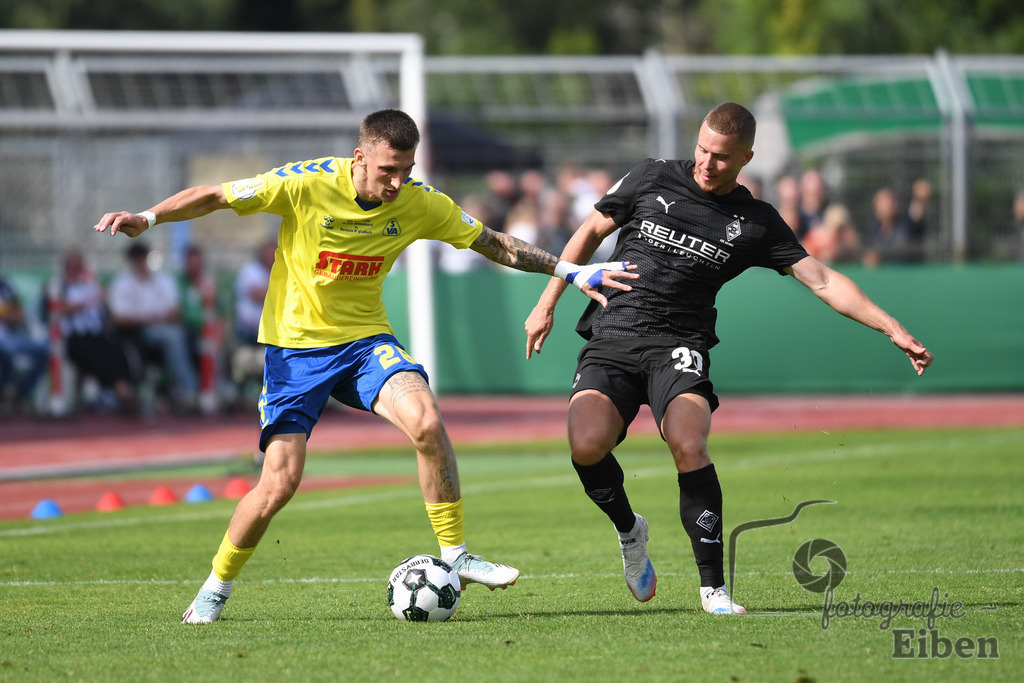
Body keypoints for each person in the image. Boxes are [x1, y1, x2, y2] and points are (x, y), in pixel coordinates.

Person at [93, 108, 637, 624]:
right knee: (279, 483)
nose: (397, 183)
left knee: (426, 421)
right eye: (386, 171)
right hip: (294, 350)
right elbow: (214, 195)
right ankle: (214, 589)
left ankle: (456, 556)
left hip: (365, 342)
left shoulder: (419, 202)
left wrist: (569, 271)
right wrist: (149, 216)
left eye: (406, 171)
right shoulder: (304, 183)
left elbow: (492, 243)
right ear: (359, 157)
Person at [525, 102, 933, 615]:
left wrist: (892, 327)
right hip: (614, 334)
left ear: (746, 158)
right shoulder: (651, 177)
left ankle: (713, 589)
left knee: (689, 444)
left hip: (680, 344)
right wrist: (546, 304)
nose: (706, 162)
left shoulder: (756, 222)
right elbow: (587, 234)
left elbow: (824, 280)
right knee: (586, 446)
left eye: (720, 156)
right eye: (701, 149)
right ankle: (630, 531)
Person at [107, 242, 200, 412]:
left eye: (143, 258)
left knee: (183, 335)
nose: (141, 262)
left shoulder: (163, 280)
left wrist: (147, 317)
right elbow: (119, 318)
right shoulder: (122, 283)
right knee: (173, 336)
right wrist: (149, 318)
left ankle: (188, 391)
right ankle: (188, 391)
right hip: (136, 333)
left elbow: (175, 312)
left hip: (162, 328)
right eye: (137, 259)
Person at [50, 250, 136, 410]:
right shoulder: (59, 285)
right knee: (94, 355)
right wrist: (84, 302)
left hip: (96, 335)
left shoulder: (91, 285)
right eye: (72, 266)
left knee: (117, 352)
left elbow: (104, 308)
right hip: (74, 338)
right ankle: (120, 390)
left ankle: (123, 390)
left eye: (79, 266)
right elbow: (58, 308)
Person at [0, 272, 49, 415]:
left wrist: (6, 316)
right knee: (4, 352)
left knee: (42, 350)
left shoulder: (4, 286)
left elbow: (18, 314)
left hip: (8, 337)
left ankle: (20, 395)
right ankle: (5, 393)